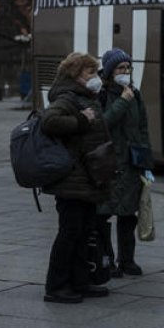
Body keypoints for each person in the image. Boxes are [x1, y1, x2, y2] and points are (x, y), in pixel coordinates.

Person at [39, 52, 114, 304]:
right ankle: (56, 286)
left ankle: (80, 281)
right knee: (70, 232)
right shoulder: (67, 97)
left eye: (95, 71)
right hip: (72, 179)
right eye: (90, 72)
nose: (95, 77)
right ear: (75, 75)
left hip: (88, 177)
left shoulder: (86, 96)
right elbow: (49, 121)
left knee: (84, 231)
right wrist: (82, 120)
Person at [95, 48, 151, 279]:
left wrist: (146, 162)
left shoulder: (135, 95)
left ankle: (127, 259)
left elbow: (143, 128)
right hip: (108, 164)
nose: (125, 72)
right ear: (109, 72)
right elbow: (102, 123)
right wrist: (121, 101)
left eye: (128, 68)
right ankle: (106, 259)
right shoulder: (101, 94)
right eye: (120, 68)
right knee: (103, 214)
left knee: (129, 215)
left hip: (130, 164)